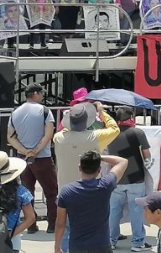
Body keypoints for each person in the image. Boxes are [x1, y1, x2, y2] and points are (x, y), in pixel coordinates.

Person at [52, 102, 120, 252]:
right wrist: (102, 112)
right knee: (96, 229)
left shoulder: (58, 138)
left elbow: (64, 132)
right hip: (92, 191)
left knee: (66, 228)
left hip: (66, 192)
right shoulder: (95, 137)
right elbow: (115, 129)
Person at [6, 83, 58, 234]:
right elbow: (48, 134)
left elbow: (10, 136)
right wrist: (35, 151)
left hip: (22, 159)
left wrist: (25, 151)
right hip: (43, 158)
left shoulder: (15, 113)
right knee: (51, 192)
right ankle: (52, 224)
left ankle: (31, 225)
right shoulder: (45, 111)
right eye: (41, 93)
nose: (42, 96)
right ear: (35, 93)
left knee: (27, 193)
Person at [55, 151, 129, 253]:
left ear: (80, 168)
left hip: (78, 246)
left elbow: (60, 224)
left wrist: (57, 247)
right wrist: (99, 157)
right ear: (99, 170)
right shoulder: (105, 185)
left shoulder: (67, 191)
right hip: (102, 245)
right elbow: (123, 161)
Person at [106, 107, 153, 251]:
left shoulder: (111, 133)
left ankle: (110, 241)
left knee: (113, 211)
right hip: (136, 176)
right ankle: (137, 243)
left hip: (116, 175)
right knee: (136, 210)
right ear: (131, 117)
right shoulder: (138, 132)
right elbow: (147, 155)